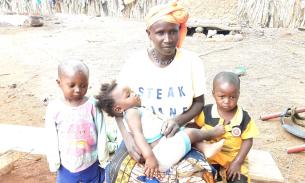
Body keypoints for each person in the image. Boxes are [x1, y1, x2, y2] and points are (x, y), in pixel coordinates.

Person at [106, 1, 215, 182]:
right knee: (118, 173)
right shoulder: (134, 64)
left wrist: (178, 120)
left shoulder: (192, 62)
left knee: (198, 176)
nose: (168, 38)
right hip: (140, 138)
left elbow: (199, 103)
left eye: (173, 31)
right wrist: (128, 139)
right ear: (149, 34)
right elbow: (116, 107)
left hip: (179, 134)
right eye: (160, 33)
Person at [96, 81, 225, 178]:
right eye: (129, 95)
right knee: (189, 133)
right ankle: (211, 134)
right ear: (118, 109)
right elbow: (138, 135)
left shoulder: (134, 110)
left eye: (132, 91)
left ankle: (204, 148)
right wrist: (150, 157)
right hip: (158, 157)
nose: (135, 94)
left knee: (182, 131)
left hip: (162, 146)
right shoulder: (131, 113)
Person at [45, 60, 109, 183]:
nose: (78, 89)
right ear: (59, 83)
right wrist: (54, 162)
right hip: (66, 166)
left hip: (91, 162)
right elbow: (51, 136)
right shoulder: (54, 108)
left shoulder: (93, 105)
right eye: (72, 85)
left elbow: (101, 131)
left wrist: (103, 158)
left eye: (83, 85)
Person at [195, 72, 259, 183]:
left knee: (239, 180)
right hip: (210, 158)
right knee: (200, 178)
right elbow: (195, 129)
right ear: (213, 93)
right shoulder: (206, 112)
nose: (227, 101)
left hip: (233, 159)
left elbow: (248, 141)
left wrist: (237, 162)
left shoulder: (244, 118)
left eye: (232, 97)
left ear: (238, 94)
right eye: (222, 96)